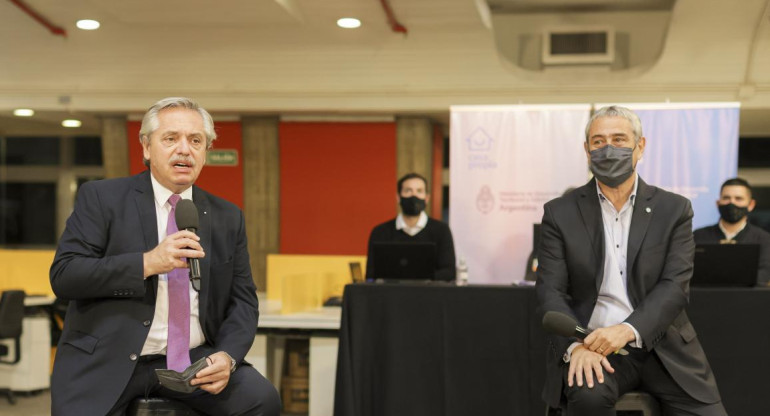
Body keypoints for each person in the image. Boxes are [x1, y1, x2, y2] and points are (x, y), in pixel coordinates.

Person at [50, 97, 280, 416]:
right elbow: (65, 276)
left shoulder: (227, 216)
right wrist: (147, 263)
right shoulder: (102, 199)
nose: (184, 149)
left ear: (205, 152)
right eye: (171, 138)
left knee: (262, 400)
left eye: (195, 140)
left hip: (193, 361)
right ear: (146, 147)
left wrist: (227, 356)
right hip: (107, 359)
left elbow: (243, 302)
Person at [536, 106, 725, 415]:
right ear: (587, 150)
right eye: (598, 141)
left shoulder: (674, 209)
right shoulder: (560, 212)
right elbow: (550, 291)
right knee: (587, 400)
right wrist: (575, 347)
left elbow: (674, 286)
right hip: (592, 346)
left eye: (619, 139)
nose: (608, 148)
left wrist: (627, 329)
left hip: (662, 346)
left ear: (640, 146)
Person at [365, 172, 456, 281]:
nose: (414, 196)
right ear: (398, 197)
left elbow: (449, 272)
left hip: (430, 295)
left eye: (419, 191)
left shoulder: (441, 230)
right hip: (391, 295)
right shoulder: (380, 232)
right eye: (408, 191)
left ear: (427, 198)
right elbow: (371, 274)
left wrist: (419, 280)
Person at [694, 177, 770, 286]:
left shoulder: (764, 239)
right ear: (718, 203)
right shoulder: (698, 236)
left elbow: (764, 274)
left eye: (738, 198)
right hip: (706, 299)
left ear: (751, 205)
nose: (731, 203)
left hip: (748, 300)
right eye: (726, 198)